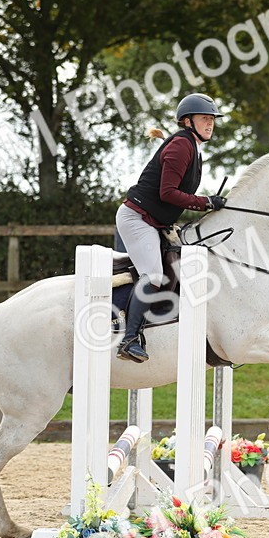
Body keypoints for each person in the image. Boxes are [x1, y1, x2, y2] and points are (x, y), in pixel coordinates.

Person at [114, 92, 227, 362]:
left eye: (212, 119)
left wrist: (206, 203)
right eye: (204, 119)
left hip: (155, 221)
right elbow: (167, 193)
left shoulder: (191, 146)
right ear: (187, 121)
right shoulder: (181, 146)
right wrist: (206, 202)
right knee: (153, 276)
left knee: (176, 268)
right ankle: (129, 339)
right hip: (137, 218)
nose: (210, 124)